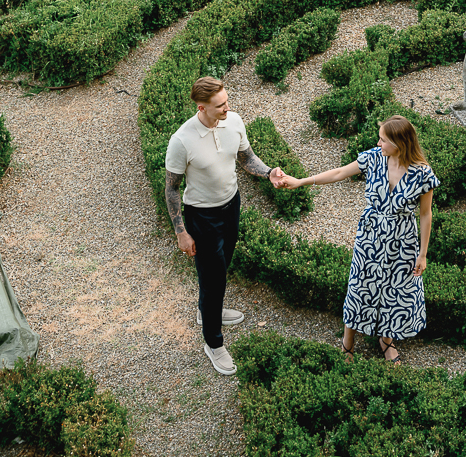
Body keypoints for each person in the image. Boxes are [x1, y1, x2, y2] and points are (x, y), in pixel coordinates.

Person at [272, 115, 438, 364]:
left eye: (383, 140)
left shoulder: (423, 173)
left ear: (400, 143)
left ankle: (386, 339)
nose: (378, 143)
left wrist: (422, 253)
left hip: (402, 242)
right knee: (361, 285)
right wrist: (301, 182)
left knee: (396, 291)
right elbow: (339, 173)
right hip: (370, 237)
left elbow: (425, 214)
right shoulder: (373, 157)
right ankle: (348, 340)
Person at [164, 76, 277, 376]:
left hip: (232, 205)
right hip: (202, 216)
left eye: (227, 101)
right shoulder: (182, 140)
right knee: (213, 278)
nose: (228, 107)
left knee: (221, 268)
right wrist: (181, 232)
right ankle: (213, 342)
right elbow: (171, 189)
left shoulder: (234, 121)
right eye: (220, 105)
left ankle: (208, 311)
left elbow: (247, 158)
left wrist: (269, 173)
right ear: (202, 107)